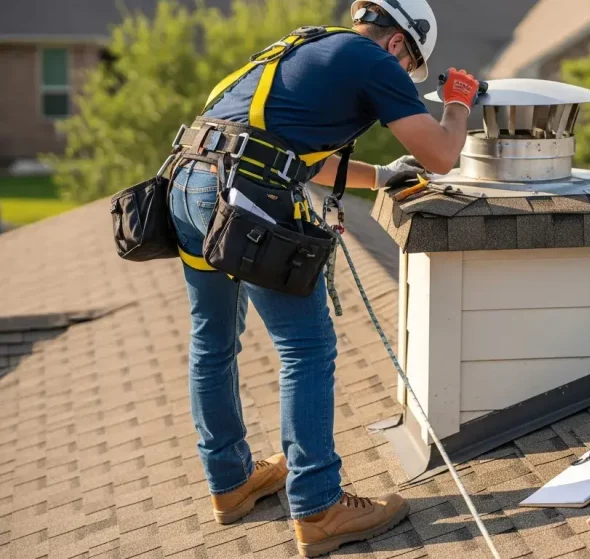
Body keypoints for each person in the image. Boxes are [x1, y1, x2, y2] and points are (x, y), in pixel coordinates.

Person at [166, 0, 480, 556]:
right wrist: (457, 105)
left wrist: (381, 175)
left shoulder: (302, 48)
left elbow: (297, 160)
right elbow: (440, 155)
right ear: (398, 45)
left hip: (188, 184)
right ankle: (318, 507)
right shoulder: (374, 61)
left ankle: (231, 483)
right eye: (407, 70)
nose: (401, 79)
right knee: (306, 349)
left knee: (212, 343)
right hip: (244, 196)